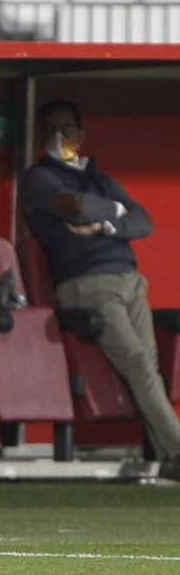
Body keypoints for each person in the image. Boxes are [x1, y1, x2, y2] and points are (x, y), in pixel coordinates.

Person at [21, 99, 180, 472]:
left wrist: (105, 223)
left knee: (149, 366)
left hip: (130, 280)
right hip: (87, 283)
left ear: (81, 134)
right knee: (139, 363)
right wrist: (115, 211)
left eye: (67, 130)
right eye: (52, 131)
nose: (60, 138)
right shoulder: (39, 177)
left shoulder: (100, 178)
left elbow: (145, 222)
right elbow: (74, 207)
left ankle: (164, 457)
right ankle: (177, 449)